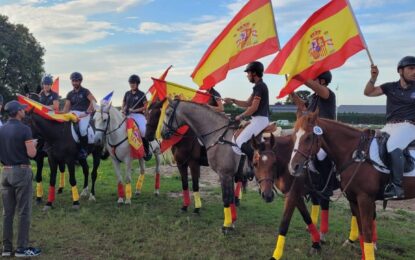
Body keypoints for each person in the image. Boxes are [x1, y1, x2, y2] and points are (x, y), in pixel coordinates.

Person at [363, 56, 415, 200]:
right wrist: (373, 78)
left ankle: (397, 187)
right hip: (390, 126)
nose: (414, 72)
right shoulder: (389, 87)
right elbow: (368, 92)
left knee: (393, 144)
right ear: (400, 71)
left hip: (410, 126)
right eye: (411, 68)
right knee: (370, 142)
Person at [0, 101, 41, 257]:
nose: (24, 111)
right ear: (18, 112)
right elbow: (31, 154)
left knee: (7, 213)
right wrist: (34, 144)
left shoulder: (1, 129)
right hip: (21, 172)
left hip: (5, 172)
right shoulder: (25, 129)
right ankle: (22, 249)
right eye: (22, 110)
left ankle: (6, 248)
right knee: (24, 212)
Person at [224, 61, 270, 163]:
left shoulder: (259, 86)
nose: (247, 76)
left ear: (254, 73)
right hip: (258, 119)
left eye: (248, 73)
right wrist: (233, 100)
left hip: (260, 120)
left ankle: (256, 164)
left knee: (240, 141)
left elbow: (253, 108)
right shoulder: (258, 86)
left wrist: (241, 116)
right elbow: (247, 103)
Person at [62, 72, 96, 159]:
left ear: (80, 81)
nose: (74, 83)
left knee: (82, 129)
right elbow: (66, 107)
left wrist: (87, 112)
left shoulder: (85, 91)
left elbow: (93, 101)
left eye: (76, 81)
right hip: (72, 113)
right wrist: (59, 115)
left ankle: (84, 149)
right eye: (73, 81)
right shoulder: (69, 94)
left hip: (83, 114)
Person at [122, 74, 152, 160]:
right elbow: (124, 103)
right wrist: (123, 109)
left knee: (142, 130)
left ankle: (146, 150)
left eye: (134, 83)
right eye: (131, 83)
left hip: (138, 115)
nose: (132, 84)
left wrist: (135, 110)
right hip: (128, 115)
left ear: (137, 84)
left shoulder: (141, 94)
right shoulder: (127, 93)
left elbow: (145, 106)